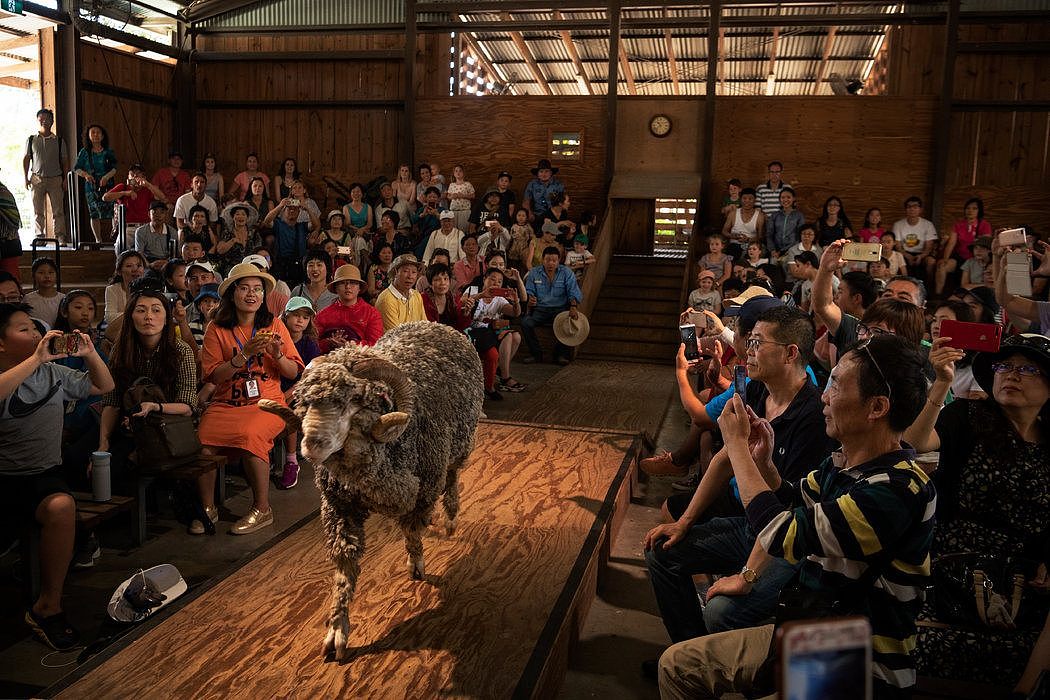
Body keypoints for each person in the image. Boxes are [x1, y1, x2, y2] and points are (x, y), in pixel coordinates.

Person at [657, 334, 935, 699]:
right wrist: (765, 463)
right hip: (813, 628)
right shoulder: (846, 461)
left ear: (877, 407)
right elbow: (794, 500)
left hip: (857, 659)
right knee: (677, 665)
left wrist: (737, 445)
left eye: (835, 384)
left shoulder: (899, 489)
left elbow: (781, 533)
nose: (823, 395)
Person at [643, 307, 833, 658]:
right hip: (749, 525)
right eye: (751, 341)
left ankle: (709, 662)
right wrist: (683, 524)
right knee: (662, 553)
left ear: (791, 353)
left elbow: (788, 517)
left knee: (720, 612)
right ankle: (689, 655)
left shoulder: (814, 419)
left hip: (787, 545)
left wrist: (747, 575)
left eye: (759, 343)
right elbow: (725, 458)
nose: (748, 351)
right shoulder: (759, 392)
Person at [906, 333, 1050, 688]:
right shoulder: (968, 415)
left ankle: (1027, 689)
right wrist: (941, 383)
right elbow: (915, 444)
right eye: (1004, 366)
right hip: (954, 569)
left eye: (1026, 368)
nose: (1011, 375)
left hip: (1022, 580)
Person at [0, 303, 113, 650]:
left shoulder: (54, 375)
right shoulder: (21, 372)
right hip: (3, 479)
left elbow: (103, 385)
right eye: (24, 329)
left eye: (36, 328)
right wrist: (35, 359)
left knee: (62, 506)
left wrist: (91, 354)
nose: (35, 335)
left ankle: (48, 606)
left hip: (44, 475)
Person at [197, 263, 304, 535]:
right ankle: (207, 507)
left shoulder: (274, 324)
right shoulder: (216, 329)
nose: (251, 294)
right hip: (225, 403)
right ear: (232, 294)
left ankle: (262, 508)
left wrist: (277, 355)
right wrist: (242, 356)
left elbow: (294, 371)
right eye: (244, 288)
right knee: (204, 439)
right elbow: (213, 377)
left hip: (267, 403)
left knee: (249, 435)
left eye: (257, 289)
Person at [98, 290, 197, 518]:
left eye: (156, 310)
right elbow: (111, 402)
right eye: (141, 310)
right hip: (127, 422)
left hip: (167, 425)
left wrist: (154, 407)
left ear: (167, 317)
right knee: (80, 456)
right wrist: (102, 442)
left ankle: (123, 521)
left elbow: (188, 405)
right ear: (130, 316)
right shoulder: (121, 349)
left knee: (120, 464)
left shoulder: (180, 351)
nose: (148, 317)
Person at [276, 296, 321, 490]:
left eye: (305, 317)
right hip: (275, 387)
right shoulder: (277, 339)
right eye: (295, 315)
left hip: (300, 391)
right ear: (285, 316)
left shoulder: (309, 344)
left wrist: (286, 394)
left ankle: (291, 460)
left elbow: (308, 377)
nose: (300, 320)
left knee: (290, 412)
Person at [462, 266, 521, 401]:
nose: (496, 283)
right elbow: (462, 303)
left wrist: (516, 301)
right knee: (492, 351)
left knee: (509, 340)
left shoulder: (499, 299)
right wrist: (482, 295)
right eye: (492, 279)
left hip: (486, 334)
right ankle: (494, 381)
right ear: (484, 279)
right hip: (468, 330)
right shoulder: (473, 290)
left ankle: (495, 380)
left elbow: (514, 312)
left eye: (499, 281)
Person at [522, 246, 582, 365]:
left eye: (554, 260)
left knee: (568, 324)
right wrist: (530, 299)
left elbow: (573, 291)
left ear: (559, 260)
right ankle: (536, 354)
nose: (550, 263)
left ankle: (559, 355)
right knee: (526, 323)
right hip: (540, 310)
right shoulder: (534, 273)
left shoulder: (566, 272)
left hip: (560, 310)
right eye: (547, 260)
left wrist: (573, 306)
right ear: (542, 260)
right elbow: (529, 291)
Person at [23, 109, 69, 244]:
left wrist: (65, 178)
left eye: (47, 118)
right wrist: (25, 177)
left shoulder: (59, 140)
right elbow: (26, 159)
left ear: (52, 121)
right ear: (38, 120)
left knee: (58, 210)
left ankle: (60, 237)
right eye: (41, 119)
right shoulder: (31, 139)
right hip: (37, 178)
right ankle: (39, 237)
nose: (44, 121)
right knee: (38, 211)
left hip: (56, 179)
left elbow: (65, 160)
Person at [314, 263, 383, 350]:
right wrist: (328, 343)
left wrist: (349, 345)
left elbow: (375, 345)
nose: (348, 287)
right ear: (335, 288)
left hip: (363, 360)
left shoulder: (372, 314)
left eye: (353, 283)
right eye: (342, 283)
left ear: (359, 288)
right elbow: (312, 344)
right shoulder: (322, 315)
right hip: (327, 360)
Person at [103, 164, 168, 253]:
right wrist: (125, 193)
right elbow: (105, 197)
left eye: (138, 174)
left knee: (155, 248)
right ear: (128, 177)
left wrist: (148, 185)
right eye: (132, 174)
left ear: (144, 177)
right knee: (120, 246)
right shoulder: (123, 187)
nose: (135, 176)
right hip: (129, 228)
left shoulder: (147, 189)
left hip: (146, 227)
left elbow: (163, 198)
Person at [73, 124, 117, 243]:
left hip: (108, 185)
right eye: (93, 132)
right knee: (94, 213)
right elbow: (77, 168)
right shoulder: (84, 152)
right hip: (91, 186)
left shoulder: (108, 151)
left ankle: (115, 238)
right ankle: (98, 240)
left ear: (103, 136)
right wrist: (86, 175)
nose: (96, 135)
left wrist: (106, 177)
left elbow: (114, 168)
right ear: (88, 136)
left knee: (113, 211)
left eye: (98, 132)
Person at [262, 197, 319, 285]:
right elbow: (266, 221)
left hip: (298, 263)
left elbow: (316, 225)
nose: (292, 211)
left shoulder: (302, 226)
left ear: (299, 212)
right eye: (289, 209)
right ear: (284, 211)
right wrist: (280, 206)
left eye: (295, 209)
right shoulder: (278, 224)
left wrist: (307, 209)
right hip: (281, 262)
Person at [375, 254, 427, 332]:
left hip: (415, 342)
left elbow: (425, 326)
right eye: (405, 271)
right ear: (396, 272)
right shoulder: (387, 300)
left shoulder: (416, 295)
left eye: (414, 272)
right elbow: (396, 336)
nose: (410, 276)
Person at [893, 196, 937, 276]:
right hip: (904, 253)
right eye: (909, 207)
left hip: (922, 254)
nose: (912, 209)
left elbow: (929, 248)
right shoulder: (898, 224)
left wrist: (921, 256)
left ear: (920, 209)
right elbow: (898, 247)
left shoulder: (928, 224)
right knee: (895, 258)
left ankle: (929, 286)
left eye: (915, 207)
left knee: (931, 261)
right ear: (906, 209)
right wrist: (908, 256)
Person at [422, 262, 469, 330]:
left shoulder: (454, 299)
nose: (443, 283)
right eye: (437, 279)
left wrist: (465, 314)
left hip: (451, 336)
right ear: (430, 283)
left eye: (445, 279)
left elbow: (461, 326)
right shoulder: (423, 299)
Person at [104, 251, 147, 324]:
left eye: (139, 265)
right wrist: (138, 314)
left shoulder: (149, 288)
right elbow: (109, 317)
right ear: (119, 271)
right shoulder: (112, 289)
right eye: (129, 266)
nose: (135, 269)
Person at [721, 188, 765, 259]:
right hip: (734, 245)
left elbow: (760, 237)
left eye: (750, 199)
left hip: (751, 246)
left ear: (755, 200)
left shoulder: (760, 216)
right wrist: (733, 236)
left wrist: (748, 239)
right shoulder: (733, 214)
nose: (747, 201)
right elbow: (724, 231)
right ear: (741, 200)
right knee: (733, 251)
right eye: (744, 198)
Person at [134, 201, 177, 273]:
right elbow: (139, 253)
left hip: (167, 263)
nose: (158, 215)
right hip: (148, 262)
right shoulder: (141, 231)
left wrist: (166, 263)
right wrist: (149, 265)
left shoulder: (172, 232)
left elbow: (175, 254)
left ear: (166, 215)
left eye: (162, 212)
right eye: (154, 212)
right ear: (149, 214)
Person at [765, 186, 803, 263]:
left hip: (792, 250)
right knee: (773, 263)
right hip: (775, 251)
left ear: (793, 199)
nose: (785, 200)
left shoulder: (799, 216)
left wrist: (783, 251)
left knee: (787, 263)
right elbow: (769, 235)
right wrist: (772, 250)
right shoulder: (775, 215)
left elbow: (799, 237)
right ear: (779, 199)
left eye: (788, 197)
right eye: (783, 197)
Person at [522, 158, 564, 223]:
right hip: (537, 215)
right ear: (537, 174)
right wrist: (529, 213)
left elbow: (562, 203)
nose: (544, 174)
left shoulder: (558, 185)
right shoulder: (532, 184)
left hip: (554, 215)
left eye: (546, 171)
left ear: (551, 173)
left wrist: (558, 215)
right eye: (541, 171)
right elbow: (526, 201)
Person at [446, 164, 475, 232]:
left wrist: (463, 195)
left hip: (464, 211)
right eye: (456, 171)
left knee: (463, 230)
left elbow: (473, 195)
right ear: (454, 173)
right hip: (454, 210)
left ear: (463, 173)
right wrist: (453, 196)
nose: (458, 172)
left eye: (460, 171)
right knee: (454, 230)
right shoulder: (452, 185)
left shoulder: (467, 184)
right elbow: (448, 196)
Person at [509, 207, 534, 274]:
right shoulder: (514, 226)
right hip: (514, 251)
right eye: (519, 215)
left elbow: (532, 238)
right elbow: (510, 238)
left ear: (527, 217)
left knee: (522, 268)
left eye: (523, 216)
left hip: (524, 250)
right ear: (516, 216)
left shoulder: (528, 227)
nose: (521, 217)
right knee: (513, 267)